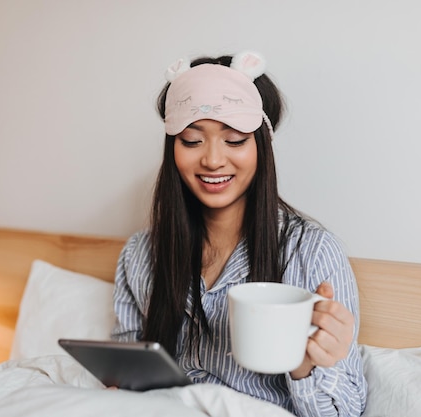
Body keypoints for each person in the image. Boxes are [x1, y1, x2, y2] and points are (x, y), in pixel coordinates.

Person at [112, 51, 367, 417]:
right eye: (191, 140)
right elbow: (126, 372)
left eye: (234, 140)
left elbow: (345, 412)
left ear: (262, 147)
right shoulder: (140, 254)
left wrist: (307, 364)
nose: (213, 160)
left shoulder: (310, 252)